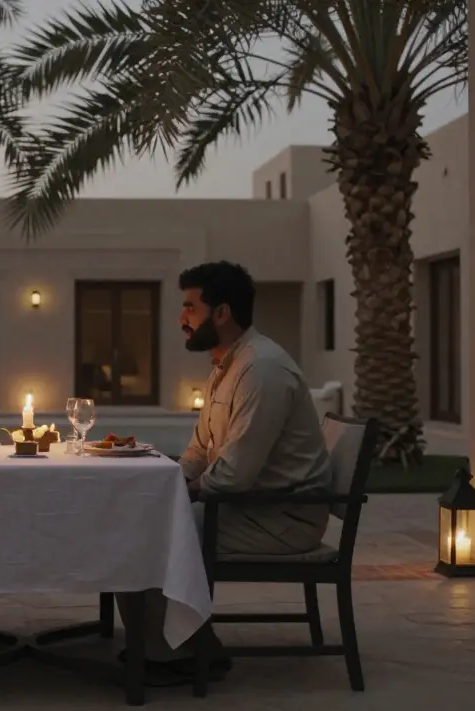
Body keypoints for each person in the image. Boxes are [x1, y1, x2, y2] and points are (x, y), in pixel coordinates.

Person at [117, 260, 333, 681]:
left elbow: (233, 476)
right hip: (250, 507)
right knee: (140, 517)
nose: (181, 319)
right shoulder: (227, 365)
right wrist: (169, 481)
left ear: (222, 313)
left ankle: (175, 655)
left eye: (190, 308)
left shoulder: (262, 370)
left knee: (147, 532)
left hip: (280, 517)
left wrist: (173, 496)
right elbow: (201, 450)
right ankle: (186, 643)